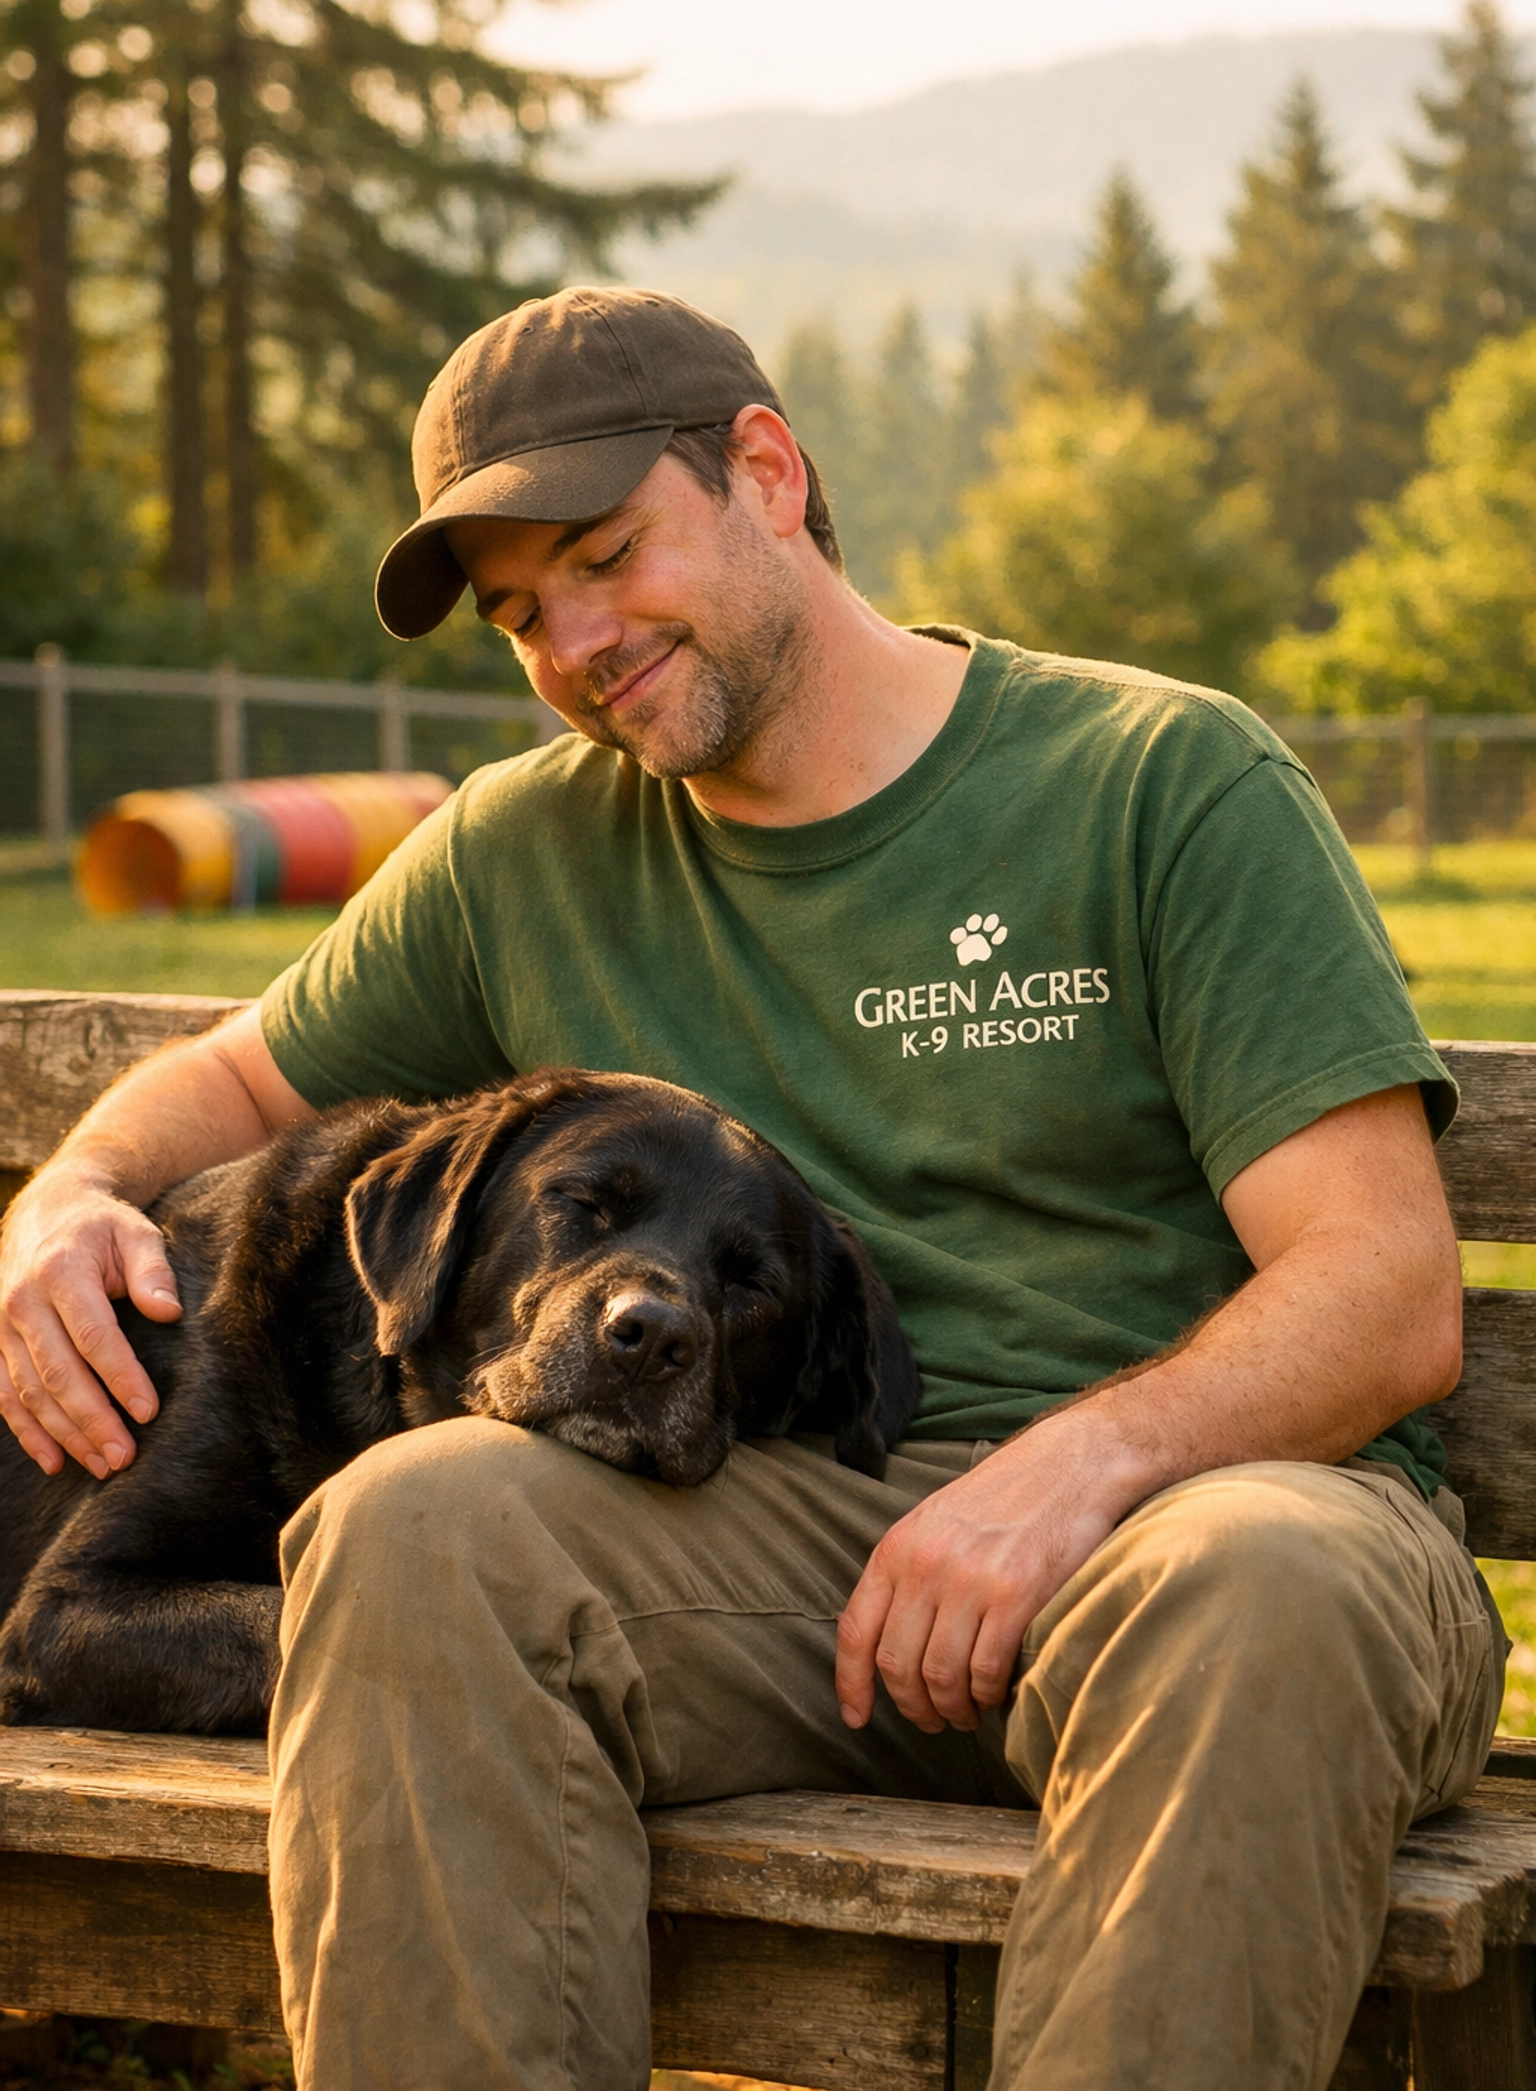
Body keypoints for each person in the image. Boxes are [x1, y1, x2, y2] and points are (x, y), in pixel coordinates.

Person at [0, 286, 1503, 2091]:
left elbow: (1387, 1286)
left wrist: (1074, 1471)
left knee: (1258, 1582)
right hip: (782, 1560)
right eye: (519, 615)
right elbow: (235, 1081)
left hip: (1222, 1527)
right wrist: (69, 1190)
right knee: (420, 1528)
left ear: (769, 475)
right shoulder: (522, 843)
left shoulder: (1156, 778)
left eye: (608, 556)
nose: (573, 641)